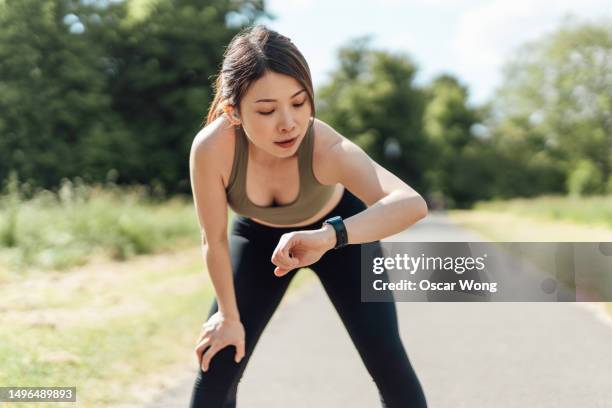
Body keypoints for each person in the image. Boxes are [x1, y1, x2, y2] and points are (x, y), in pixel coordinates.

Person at [188, 24, 428, 408]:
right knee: (216, 367)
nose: (288, 123)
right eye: (266, 110)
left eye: (299, 103)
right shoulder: (212, 149)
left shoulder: (327, 148)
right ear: (233, 112)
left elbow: (411, 203)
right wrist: (228, 317)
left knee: (389, 365)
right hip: (257, 241)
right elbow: (213, 239)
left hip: (341, 236)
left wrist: (329, 236)